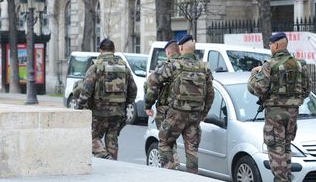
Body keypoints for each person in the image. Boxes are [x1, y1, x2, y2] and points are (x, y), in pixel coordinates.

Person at [145, 34, 214, 173]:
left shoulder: (174, 65)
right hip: (195, 115)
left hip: (176, 114)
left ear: (181, 47)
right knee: (192, 149)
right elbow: (210, 93)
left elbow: (152, 80)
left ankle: (170, 174)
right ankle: (192, 178)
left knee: (165, 142)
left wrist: (148, 103)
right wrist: (204, 112)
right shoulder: (204, 67)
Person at [248, 32, 311, 182]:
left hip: (275, 113)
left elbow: (258, 89)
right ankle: (287, 178)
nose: (270, 47)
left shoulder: (269, 65)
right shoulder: (299, 64)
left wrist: (253, 75)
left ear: (275, 45)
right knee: (286, 147)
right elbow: (307, 90)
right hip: (293, 113)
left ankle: (281, 180)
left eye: (270, 45)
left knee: (276, 149)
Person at [76, 38, 137, 160]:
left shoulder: (96, 67)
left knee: (92, 136)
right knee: (112, 139)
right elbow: (133, 89)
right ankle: (113, 164)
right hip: (118, 112)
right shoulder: (124, 67)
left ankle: (104, 156)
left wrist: (81, 107)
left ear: (100, 51)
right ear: (114, 50)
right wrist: (126, 103)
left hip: (99, 112)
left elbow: (86, 90)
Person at [145, 40, 180, 168]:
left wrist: (148, 106)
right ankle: (175, 164)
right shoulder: (187, 65)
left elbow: (151, 85)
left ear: (169, 52)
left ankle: (170, 168)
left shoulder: (165, 67)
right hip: (186, 110)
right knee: (175, 140)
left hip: (166, 109)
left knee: (165, 140)